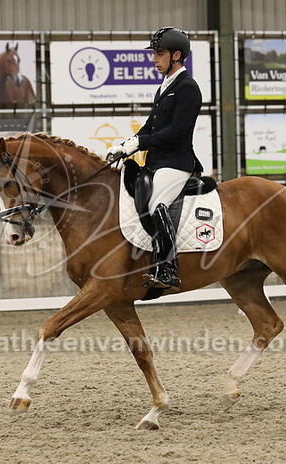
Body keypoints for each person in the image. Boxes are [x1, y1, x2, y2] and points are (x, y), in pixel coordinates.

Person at [107, 26, 202, 292]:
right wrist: (127, 145)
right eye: (154, 54)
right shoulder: (164, 87)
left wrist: (141, 142)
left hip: (177, 163)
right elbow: (151, 126)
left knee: (157, 203)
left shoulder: (188, 88)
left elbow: (177, 131)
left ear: (176, 55)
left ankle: (169, 268)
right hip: (157, 162)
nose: (154, 59)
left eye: (159, 54)